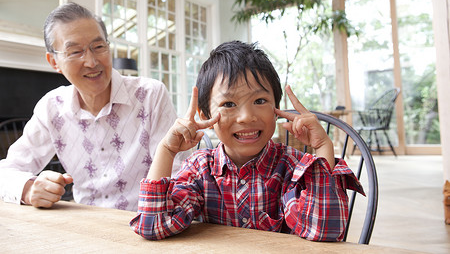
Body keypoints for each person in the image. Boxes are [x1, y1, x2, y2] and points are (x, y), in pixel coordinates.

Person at [129, 40, 364, 241]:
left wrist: (324, 147)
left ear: (277, 108)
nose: (247, 117)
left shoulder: (295, 168)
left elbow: (325, 230)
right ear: (206, 116)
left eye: (260, 101)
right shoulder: (200, 170)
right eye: (229, 104)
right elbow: (153, 225)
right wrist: (166, 150)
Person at [0, 2, 187, 211]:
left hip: (145, 221)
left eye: (98, 47)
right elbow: (7, 171)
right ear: (53, 62)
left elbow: (177, 175)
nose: (91, 62)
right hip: (85, 227)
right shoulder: (51, 108)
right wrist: (28, 190)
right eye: (75, 51)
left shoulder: (150, 95)